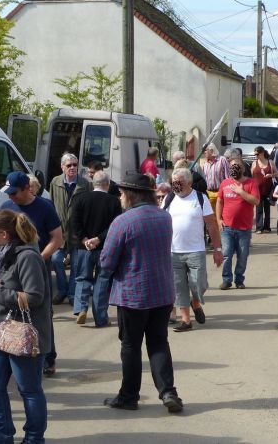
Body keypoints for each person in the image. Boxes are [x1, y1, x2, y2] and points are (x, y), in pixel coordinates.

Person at [100, 173, 183, 413]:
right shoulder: (164, 217)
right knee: (158, 342)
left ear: (132, 194)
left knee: (131, 346)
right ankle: (168, 391)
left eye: (123, 192)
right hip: (162, 291)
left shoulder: (123, 222)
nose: (120, 196)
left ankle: (128, 396)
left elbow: (106, 262)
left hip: (133, 294)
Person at [0, 210, 53, 444]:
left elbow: (35, 296)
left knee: (29, 390)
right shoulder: (2, 253)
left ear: (4, 233)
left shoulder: (28, 256)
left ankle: (33, 438)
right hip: (1, 332)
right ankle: (2, 434)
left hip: (24, 335)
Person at [0, 171, 63, 377]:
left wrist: (39, 258)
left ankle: (47, 356)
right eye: (8, 192)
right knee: (12, 311)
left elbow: (57, 238)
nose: (11, 197)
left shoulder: (44, 207)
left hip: (36, 268)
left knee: (41, 313)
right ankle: (12, 348)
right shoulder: (7, 208)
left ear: (28, 189)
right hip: (11, 271)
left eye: (15, 192)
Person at [163, 168, 222, 332]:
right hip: (174, 251)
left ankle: (195, 301)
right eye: (173, 182)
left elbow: (211, 224)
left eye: (179, 182)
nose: (176, 185)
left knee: (199, 284)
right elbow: (161, 222)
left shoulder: (200, 198)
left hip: (196, 250)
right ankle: (186, 320)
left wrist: (217, 248)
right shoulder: (169, 199)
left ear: (189, 182)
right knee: (178, 286)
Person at [69, 171, 123, 327]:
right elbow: (115, 225)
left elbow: (74, 222)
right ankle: (100, 317)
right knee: (102, 280)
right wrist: (99, 238)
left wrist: (85, 239)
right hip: (105, 247)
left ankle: (81, 309)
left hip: (83, 247)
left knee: (82, 278)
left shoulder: (80, 199)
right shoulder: (114, 202)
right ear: (107, 184)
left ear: (93, 183)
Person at [48, 153, 92, 305]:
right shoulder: (55, 182)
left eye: (75, 165)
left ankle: (72, 294)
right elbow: (52, 205)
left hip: (77, 231)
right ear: (62, 167)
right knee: (56, 259)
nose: (72, 167)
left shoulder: (85, 184)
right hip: (59, 230)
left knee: (75, 264)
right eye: (69, 165)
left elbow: (88, 209)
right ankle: (62, 290)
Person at [216, 160, 260, 290]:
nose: (234, 169)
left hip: (244, 229)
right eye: (232, 167)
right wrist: (218, 219)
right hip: (227, 228)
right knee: (226, 254)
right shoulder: (225, 183)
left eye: (237, 166)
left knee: (242, 256)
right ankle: (226, 280)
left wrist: (240, 192)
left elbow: (256, 201)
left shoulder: (251, 183)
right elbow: (219, 201)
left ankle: (239, 279)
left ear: (243, 168)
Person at [251, 146, 273, 234]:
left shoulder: (270, 162)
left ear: (262, 153)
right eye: (255, 154)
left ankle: (267, 227)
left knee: (267, 208)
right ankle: (259, 227)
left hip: (268, 188)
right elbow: (252, 176)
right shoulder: (254, 163)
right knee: (258, 208)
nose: (256, 156)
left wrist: (270, 175)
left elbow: (276, 173)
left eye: (257, 154)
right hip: (257, 189)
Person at [202, 144, 230, 212]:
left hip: (220, 192)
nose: (203, 152)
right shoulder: (205, 163)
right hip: (209, 193)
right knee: (211, 216)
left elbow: (228, 177)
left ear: (211, 151)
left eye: (205, 150)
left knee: (221, 215)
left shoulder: (222, 160)